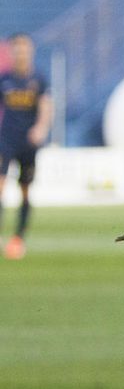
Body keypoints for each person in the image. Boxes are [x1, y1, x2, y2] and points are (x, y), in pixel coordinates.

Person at [0, 33, 54, 260]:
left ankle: (18, 238)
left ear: (30, 51)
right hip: (6, 139)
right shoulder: (5, 79)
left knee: (24, 190)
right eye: (17, 49)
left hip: (28, 143)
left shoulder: (38, 80)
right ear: (12, 52)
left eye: (24, 49)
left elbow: (46, 106)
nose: (21, 53)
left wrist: (41, 128)